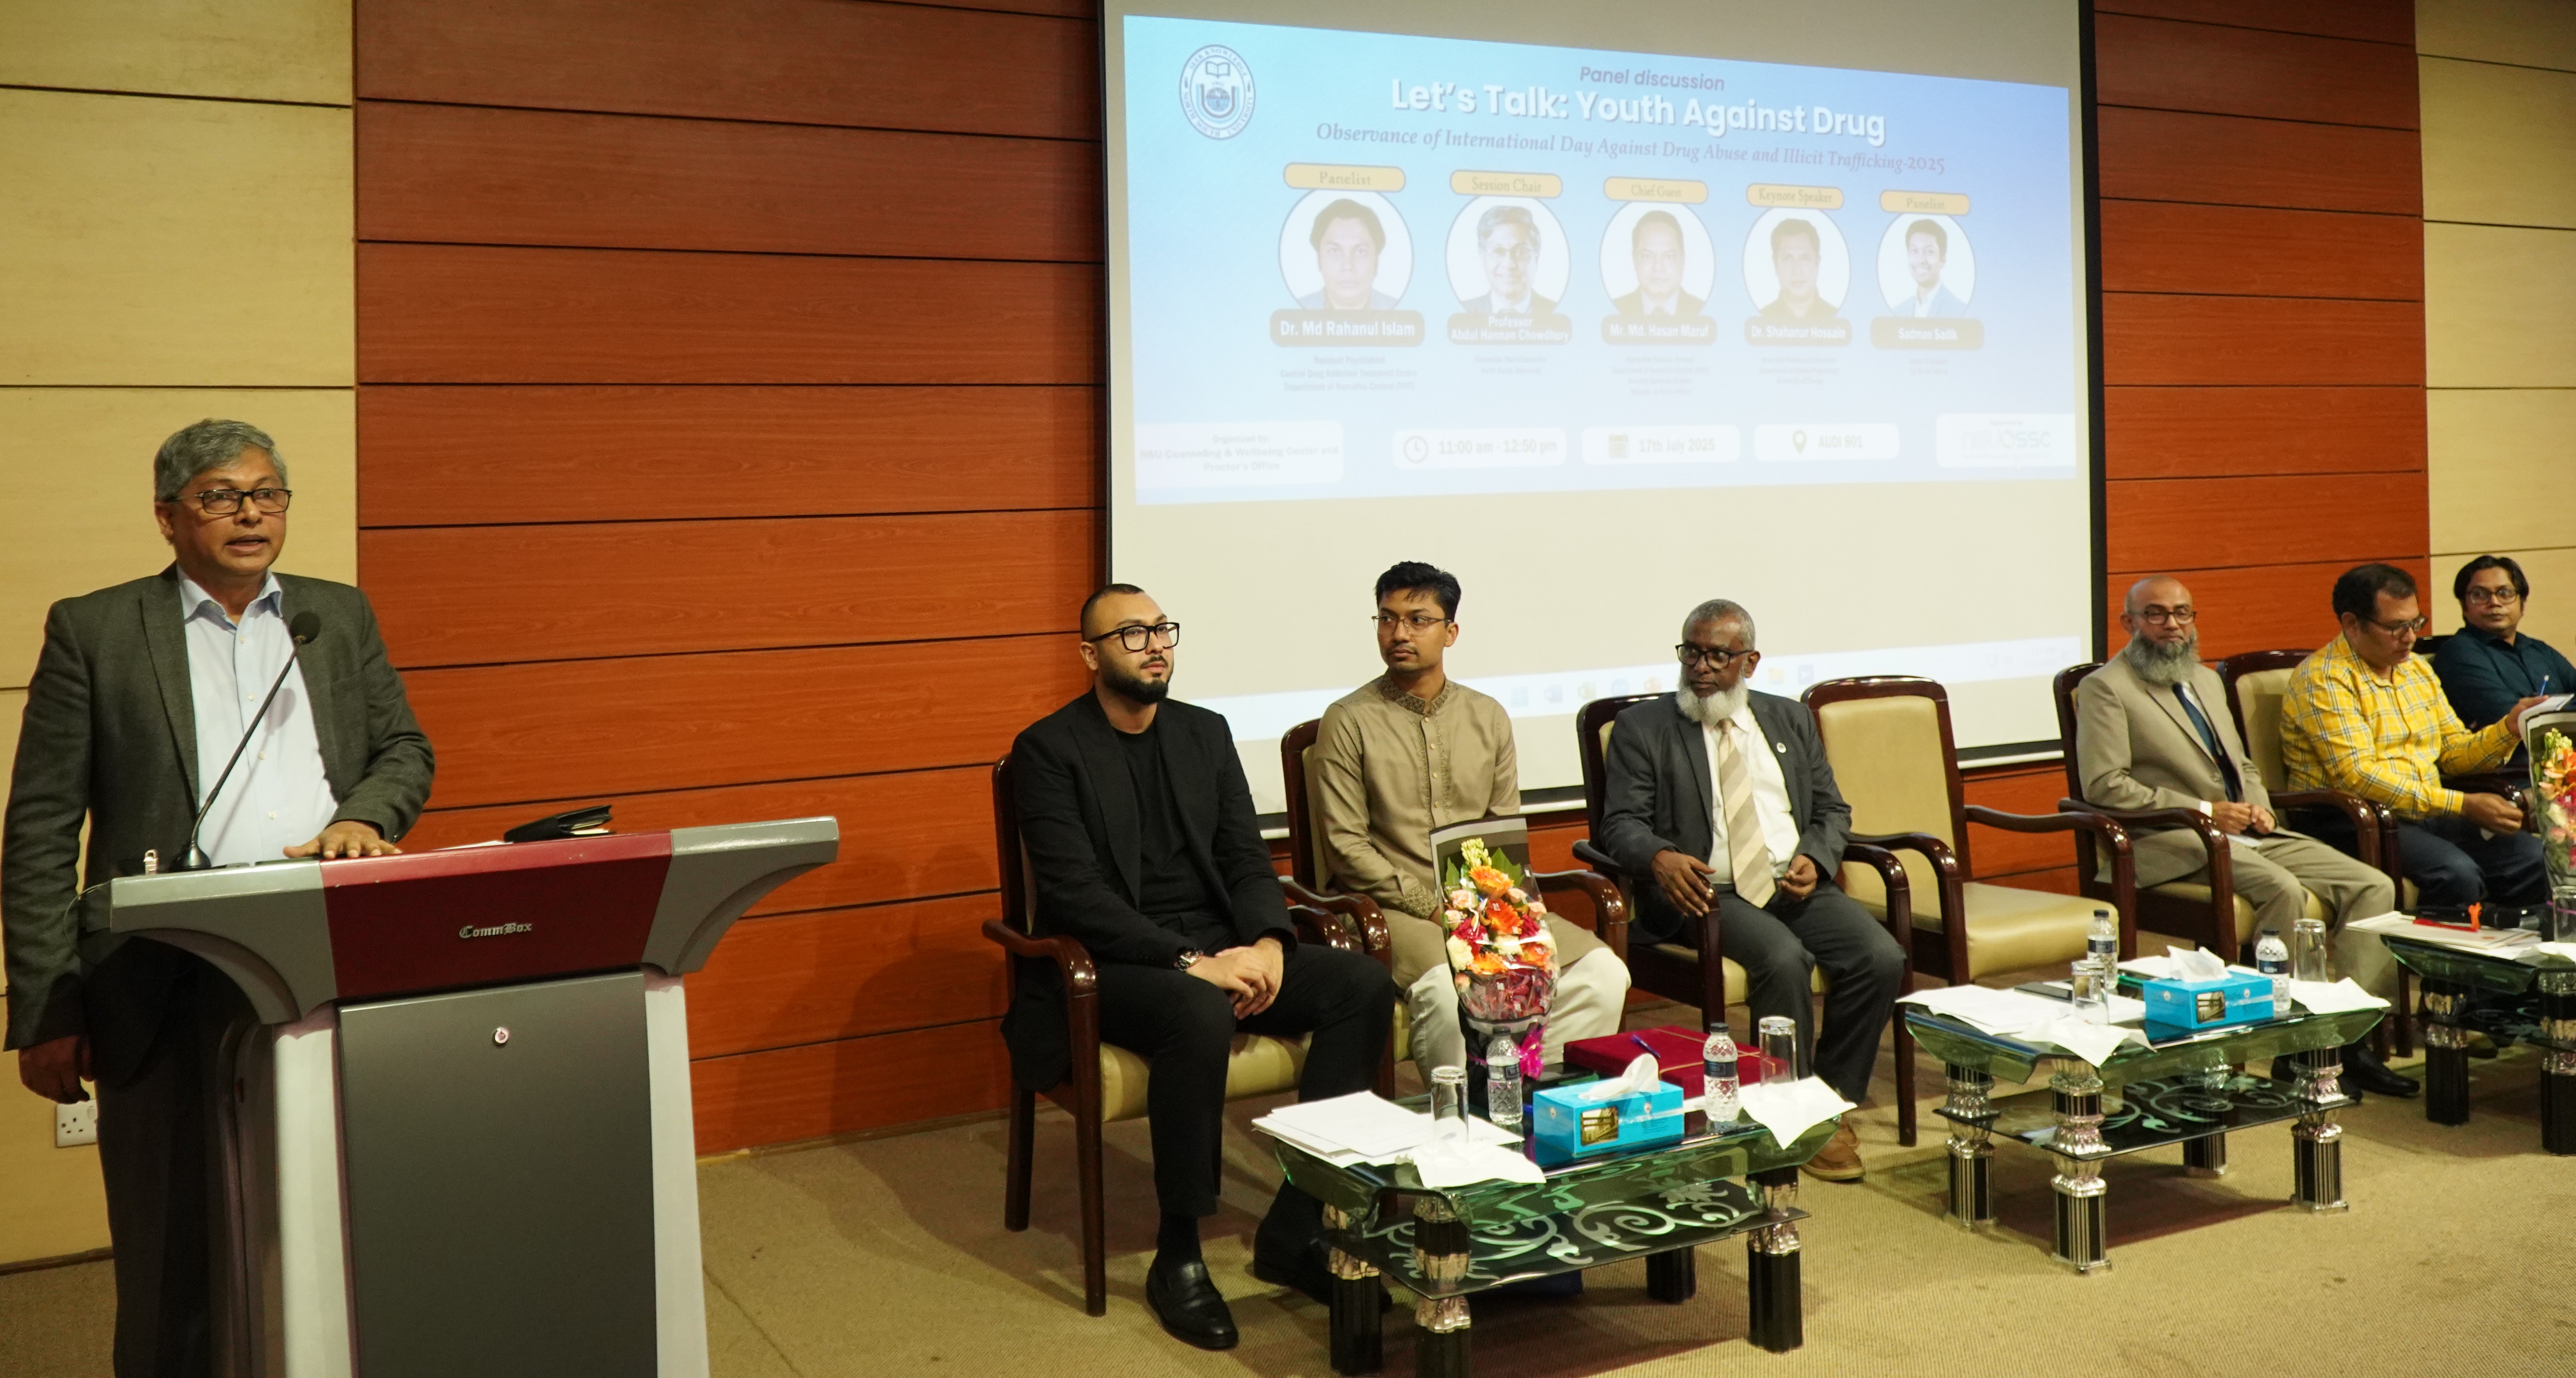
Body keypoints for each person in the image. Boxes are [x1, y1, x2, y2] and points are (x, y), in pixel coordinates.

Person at [5, 419, 434, 1377]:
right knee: (175, 1255)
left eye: (267, 493)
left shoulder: (334, 615)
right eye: (220, 496)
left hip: (326, 953)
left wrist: (361, 815)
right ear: (168, 517)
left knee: (339, 1221)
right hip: (164, 969)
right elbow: (40, 828)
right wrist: (48, 1005)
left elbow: (404, 748)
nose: (251, 513)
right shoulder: (97, 629)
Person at [1005, 584, 1394, 1351]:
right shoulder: (1047, 750)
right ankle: (1178, 1252)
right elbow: (1076, 896)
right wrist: (1190, 962)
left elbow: (1245, 855)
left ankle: (1298, 1220)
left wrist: (1269, 943)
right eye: (1131, 634)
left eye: (1162, 629)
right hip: (1113, 962)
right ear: (1089, 654)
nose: (1154, 645)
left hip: (1218, 944)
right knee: (1196, 1008)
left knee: (1361, 984)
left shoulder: (1204, 732)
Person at [1593, 600, 1902, 1182]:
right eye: (1691, 652)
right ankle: (1787, 1112)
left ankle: (1827, 1100)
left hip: (1791, 881)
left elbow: (1832, 809)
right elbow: (1619, 824)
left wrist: (1816, 856)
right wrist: (1659, 857)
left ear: (1750, 662)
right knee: (1782, 959)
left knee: (1879, 957)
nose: (1700, 667)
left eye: (1717, 655)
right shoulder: (1645, 728)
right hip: (1706, 893)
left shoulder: (1789, 719)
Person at [2075, 577, 2412, 1096]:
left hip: (2246, 830)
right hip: (2172, 838)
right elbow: (2105, 785)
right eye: (2156, 614)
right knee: (2281, 888)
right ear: (2129, 623)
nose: (2172, 625)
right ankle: (2289, 1046)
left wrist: (2256, 805)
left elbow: (2241, 765)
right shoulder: (2108, 687)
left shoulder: (2204, 679)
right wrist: (2206, 811)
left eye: (2182, 613)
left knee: (2374, 886)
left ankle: (2344, 1036)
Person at [1310, 562, 1632, 1088]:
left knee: (1601, 973)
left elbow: (1501, 832)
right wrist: (1431, 905)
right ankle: (1456, 1109)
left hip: (1483, 903)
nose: (1399, 633)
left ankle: (1526, 1089)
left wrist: (1492, 908)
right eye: (1387, 619)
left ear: (1450, 632)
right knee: (1445, 984)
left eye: (1418, 620)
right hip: (1392, 908)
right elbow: (1346, 847)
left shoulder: (1487, 715)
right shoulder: (1348, 719)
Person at [2282, 563, 2551, 910]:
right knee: (2455, 874)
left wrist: (2508, 729)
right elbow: (2358, 776)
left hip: (2426, 809)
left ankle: (2514, 944)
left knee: (2534, 858)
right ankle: (2435, 948)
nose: (2410, 638)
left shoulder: (2416, 669)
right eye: (2396, 627)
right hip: (2354, 819)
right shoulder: (2325, 679)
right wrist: (2463, 804)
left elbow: (2452, 751)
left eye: (2415, 623)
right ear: (2352, 624)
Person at [2431, 555, 2574, 757]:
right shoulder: (2458, 653)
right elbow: (2514, 720)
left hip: (2564, 757)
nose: (2495, 602)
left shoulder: (2539, 650)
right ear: (2464, 606)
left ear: (2522, 604)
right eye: (2480, 595)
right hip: (2510, 767)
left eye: (2505, 593)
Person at [1293, 198, 1399, 311]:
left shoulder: (1401, 310)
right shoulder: (1294, 310)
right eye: (1334, 251)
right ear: (1319, 259)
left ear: (1376, 260)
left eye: (1361, 252)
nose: (1348, 266)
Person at [1460, 204, 1557, 316]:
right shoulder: (1465, 313)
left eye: (1521, 252)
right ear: (1483, 258)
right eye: (1498, 251)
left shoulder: (1555, 313)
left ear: (1537, 258)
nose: (1509, 264)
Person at [1611, 210, 1704, 317]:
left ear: (1683, 259)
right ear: (1634, 259)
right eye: (1647, 256)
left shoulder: (1704, 311)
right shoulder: (1614, 311)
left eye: (1669, 256)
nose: (1658, 267)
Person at [1757, 216, 1841, 320]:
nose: (1797, 271)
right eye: (1788, 259)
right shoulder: (1761, 319)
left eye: (1805, 258)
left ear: (1818, 262)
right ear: (1776, 264)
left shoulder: (1837, 318)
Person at [1896, 218, 1972, 317]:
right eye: (1915, 251)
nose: (1921, 260)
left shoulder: (1959, 310)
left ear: (1943, 261)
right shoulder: (1899, 311)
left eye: (1929, 252)